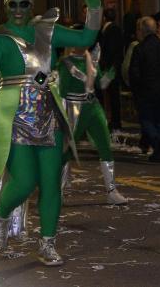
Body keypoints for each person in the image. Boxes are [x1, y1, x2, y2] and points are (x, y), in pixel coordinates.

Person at [0, 0, 102, 266]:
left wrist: (95, 10)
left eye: (24, 4)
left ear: (31, 4)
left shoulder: (46, 31)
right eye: (13, 4)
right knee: (24, 182)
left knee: (51, 184)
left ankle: (47, 243)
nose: (19, 10)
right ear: (6, 5)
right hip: (13, 116)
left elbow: (85, 39)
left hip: (48, 114)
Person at [57, 40, 127, 205]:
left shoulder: (92, 60)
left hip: (93, 107)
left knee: (105, 145)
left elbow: (100, 84)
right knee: (66, 151)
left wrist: (110, 74)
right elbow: (62, 89)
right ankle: (56, 192)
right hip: (74, 109)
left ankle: (111, 191)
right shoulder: (65, 63)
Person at [129, 17, 160, 162]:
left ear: (142, 31)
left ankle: (158, 143)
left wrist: (135, 90)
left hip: (146, 91)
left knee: (147, 119)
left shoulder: (139, 49)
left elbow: (134, 73)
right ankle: (159, 152)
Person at [97, 7, 124, 131]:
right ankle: (113, 120)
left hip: (110, 68)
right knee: (112, 95)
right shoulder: (113, 29)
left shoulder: (110, 30)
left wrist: (102, 64)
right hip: (112, 67)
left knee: (112, 95)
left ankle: (115, 121)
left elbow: (109, 51)